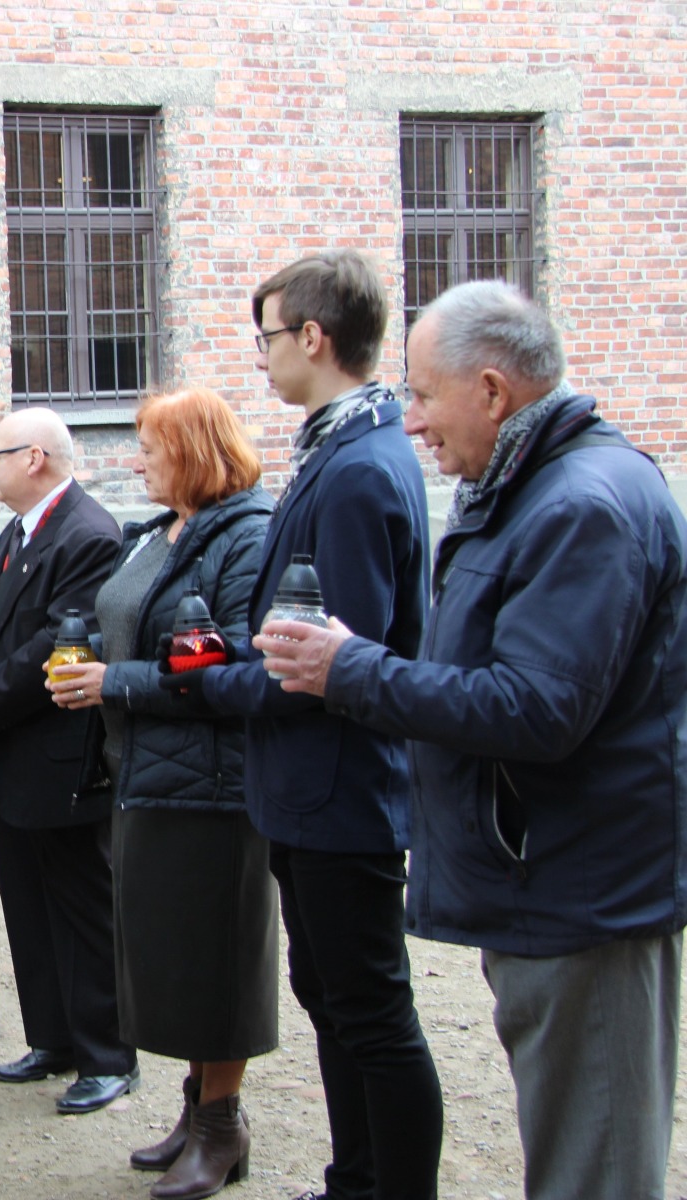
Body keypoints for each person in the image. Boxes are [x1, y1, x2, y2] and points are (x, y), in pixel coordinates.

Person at [260, 281, 687, 1200]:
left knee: (594, 1163)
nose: (410, 423)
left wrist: (352, 669)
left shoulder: (583, 506)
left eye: (421, 394)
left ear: (492, 392)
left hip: (584, 891)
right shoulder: (537, 489)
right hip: (553, 879)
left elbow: (536, 710)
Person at [169, 251, 443, 1200]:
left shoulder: (362, 466)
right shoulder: (339, 447)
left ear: (314, 338)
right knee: (334, 1003)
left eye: (270, 337)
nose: (263, 357)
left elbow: (332, 664)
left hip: (339, 789)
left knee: (370, 1012)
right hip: (309, 786)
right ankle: (354, 1178)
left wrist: (210, 686)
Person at [48, 388, 278, 1200]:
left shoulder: (246, 536)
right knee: (173, 966)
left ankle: (223, 1126)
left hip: (213, 788)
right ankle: (196, 1110)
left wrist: (118, 680)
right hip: (144, 772)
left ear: (192, 449)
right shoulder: (158, 533)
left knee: (218, 965)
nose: (136, 459)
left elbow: (238, 667)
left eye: (149, 445)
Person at [0, 407, 138, 1114]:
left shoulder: (88, 534)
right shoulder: (18, 531)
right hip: (11, 748)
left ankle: (107, 1053)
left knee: (82, 905)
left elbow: (58, 642)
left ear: (38, 459)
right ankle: (54, 1037)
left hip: (61, 752)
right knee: (27, 900)